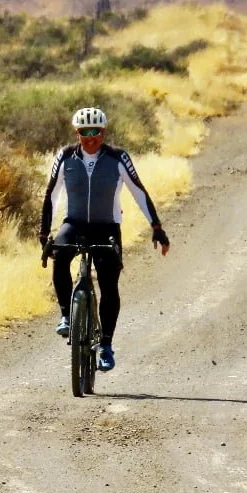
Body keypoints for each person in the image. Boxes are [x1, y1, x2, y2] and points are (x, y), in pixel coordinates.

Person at [39, 107, 170, 372]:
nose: (91, 138)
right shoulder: (65, 157)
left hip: (107, 226)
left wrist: (156, 227)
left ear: (103, 132)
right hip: (74, 224)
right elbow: (51, 195)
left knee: (109, 285)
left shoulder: (117, 157)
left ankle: (106, 346)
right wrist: (44, 235)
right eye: (85, 132)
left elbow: (139, 192)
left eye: (96, 131)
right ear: (77, 133)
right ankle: (66, 315)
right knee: (60, 255)